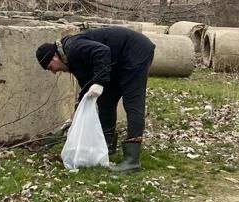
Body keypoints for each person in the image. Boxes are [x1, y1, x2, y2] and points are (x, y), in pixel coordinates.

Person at [35, 26, 156, 172]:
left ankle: (132, 160)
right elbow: (86, 87)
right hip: (117, 60)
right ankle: (107, 146)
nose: (54, 72)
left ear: (54, 57)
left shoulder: (74, 48)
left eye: (50, 67)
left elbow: (102, 51)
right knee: (106, 101)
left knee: (132, 102)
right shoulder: (70, 60)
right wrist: (75, 116)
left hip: (135, 51)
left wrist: (99, 82)